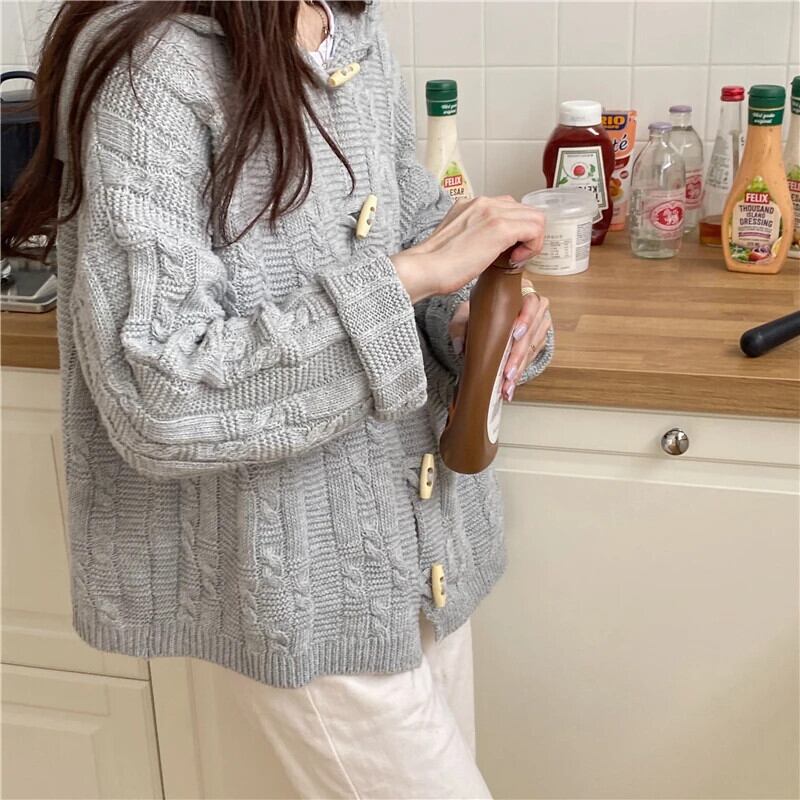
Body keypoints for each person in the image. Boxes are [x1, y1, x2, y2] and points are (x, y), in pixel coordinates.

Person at [2, 1, 553, 796]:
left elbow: (412, 228)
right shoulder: (152, 69)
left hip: (421, 553)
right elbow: (164, 396)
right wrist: (410, 279)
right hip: (303, 587)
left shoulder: (343, 28)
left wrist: (465, 312)